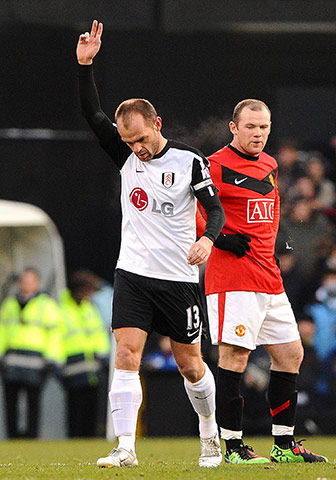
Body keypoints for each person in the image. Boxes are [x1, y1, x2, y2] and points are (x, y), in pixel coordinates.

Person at [76, 20, 225, 468]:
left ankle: (208, 435)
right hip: (134, 274)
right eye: (128, 141)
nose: (135, 148)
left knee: (191, 367)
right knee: (126, 354)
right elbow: (92, 115)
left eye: (141, 138)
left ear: (156, 124)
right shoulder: (125, 157)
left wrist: (207, 239)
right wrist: (85, 68)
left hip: (178, 278)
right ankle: (125, 448)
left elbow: (215, 211)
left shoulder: (189, 161)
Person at [196, 99, 328, 463]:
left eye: (264, 127)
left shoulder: (269, 164)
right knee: (235, 356)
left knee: (290, 354)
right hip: (233, 278)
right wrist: (221, 239)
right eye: (251, 127)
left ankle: (284, 444)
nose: (258, 134)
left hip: (268, 277)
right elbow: (192, 213)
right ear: (233, 128)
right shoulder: (215, 166)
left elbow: (268, 215)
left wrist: (279, 244)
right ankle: (234, 447)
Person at [0, 268, 62, 439]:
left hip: (35, 362)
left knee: (33, 403)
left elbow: (54, 334)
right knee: (10, 403)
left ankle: (31, 437)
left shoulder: (46, 304)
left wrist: (52, 359)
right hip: (12, 360)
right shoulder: (10, 304)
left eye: (30, 280)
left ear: (37, 283)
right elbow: (2, 331)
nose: (26, 284)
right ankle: (13, 437)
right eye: (23, 280)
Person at [59, 270, 111, 437]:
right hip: (71, 364)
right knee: (74, 405)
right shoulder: (62, 308)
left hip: (91, 365)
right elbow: (56, 336)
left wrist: (104, 355)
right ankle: (74, 436)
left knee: (91, 406)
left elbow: (98, 333)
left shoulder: (89, 308)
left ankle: (89, 437)